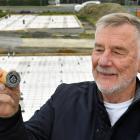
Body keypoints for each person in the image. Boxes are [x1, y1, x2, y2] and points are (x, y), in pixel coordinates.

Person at [0, 12, 140, 140]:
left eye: (117, 52)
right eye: (99, 49)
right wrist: (9, 119)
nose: (103, 61)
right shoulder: (64, 98)